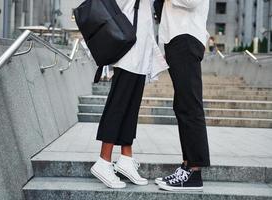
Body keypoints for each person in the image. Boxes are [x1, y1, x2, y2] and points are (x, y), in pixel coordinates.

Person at [90, 0, 168, 189]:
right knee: (117, 107)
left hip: (140, 55)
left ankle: (126, 158)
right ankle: (103, 160)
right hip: (128, 54)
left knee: (130, 110)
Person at [155, 0, 211, 191]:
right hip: (176, 39)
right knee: (182, 105)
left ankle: (194, 172)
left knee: (189, 105)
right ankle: (187, 165)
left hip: (186, 37)